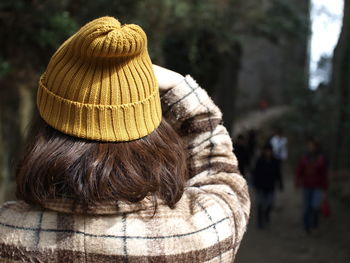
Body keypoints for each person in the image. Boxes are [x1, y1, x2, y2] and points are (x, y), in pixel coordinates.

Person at [0, 17, 250, 262]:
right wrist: (180, 88)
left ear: (44, 131)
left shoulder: (7, 235)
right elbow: (223, 177)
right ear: (153, 134)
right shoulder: (204, 232)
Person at [295, 139, 328, 234]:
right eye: (309, 146)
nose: (311, 147)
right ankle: (306, 226)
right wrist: (297, 183)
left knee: (315, 206)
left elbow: (324, 174)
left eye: (312, 146)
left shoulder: (322, 158)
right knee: (307, 207)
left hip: (317, 186)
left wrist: (325, 187)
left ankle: (314, 223)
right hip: (306, 185)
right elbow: (299, 170)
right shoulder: (304, 157)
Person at [252, 144, 282, 229]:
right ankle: (259, 222)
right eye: (267, 151)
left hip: (270, 186)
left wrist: (280, 183)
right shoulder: (259, 161)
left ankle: (266, 214)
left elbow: (278, 173)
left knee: (270, 203)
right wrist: (255, 184)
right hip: (260, 186)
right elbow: (255, 173)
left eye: (270, 151)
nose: (268, 152)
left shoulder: (275, 161)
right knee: (260, 204)